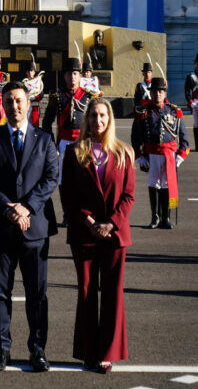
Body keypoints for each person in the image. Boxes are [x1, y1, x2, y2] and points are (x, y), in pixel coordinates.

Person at [0, 81, 59, 372]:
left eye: (19, 101)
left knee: (37, 293)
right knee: (0, 291)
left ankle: (37, 350)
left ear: (29, 103)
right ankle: (2, 350)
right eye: (9, 101)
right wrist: (8, 207)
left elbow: (51, 177)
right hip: (0, 225)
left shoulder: (45, 139)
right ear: (2, 104)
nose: (15, 106)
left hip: (35, 227)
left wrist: (26, 206)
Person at [60, 98, 135, 374]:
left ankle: (108, 352)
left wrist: (110, 224)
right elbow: (67, 195)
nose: (98, 121)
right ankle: (89, 351)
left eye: (103, 115)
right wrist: (90, 221)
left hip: (115, 235)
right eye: (93, 116)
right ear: (86, 119)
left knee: (113, 293)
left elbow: (128, 196)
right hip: (84, 233)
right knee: (87, 292)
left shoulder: (125, 152)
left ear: (110, 118)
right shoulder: (73, 153)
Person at [131, 77, 189, 229]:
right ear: (150, 93)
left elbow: (183, 137)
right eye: (154, 91)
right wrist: (139, 157)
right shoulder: (143, 112)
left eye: (160, 91)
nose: (157, 94)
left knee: (166, 185)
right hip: (151, 155)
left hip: (169, 156)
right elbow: (135, 136)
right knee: (154, 185)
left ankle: (166, 218)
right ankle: (154, 218)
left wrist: (181, 156)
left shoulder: (174, 111)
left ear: (164, 93)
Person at [42, 57, 92, 193]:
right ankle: (67, 212)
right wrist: (52, 145)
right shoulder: (57, 96)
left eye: (75, 74)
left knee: (84, 176)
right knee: (64, 179)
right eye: (69, 74)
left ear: (80, 76)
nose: (72, 77)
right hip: (63, 143)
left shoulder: (88, 96)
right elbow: (47, 123)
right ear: (64, 76)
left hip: (83, 141)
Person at [22, 59, 44, 127]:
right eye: (28, 71)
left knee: (35, 126)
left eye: (31, 71)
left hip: (35, 106)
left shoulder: (38, 82)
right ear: (26, 72)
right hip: (26, 106)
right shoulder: (24, 82)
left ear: (34, 72)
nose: (30, 73)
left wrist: (34, 98)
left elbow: (41, 94)